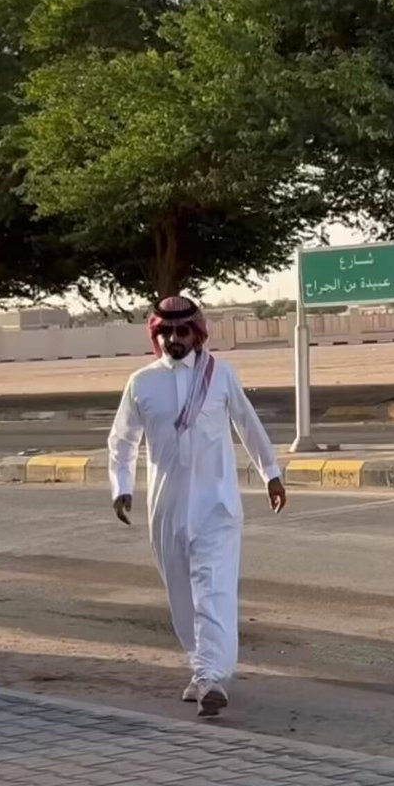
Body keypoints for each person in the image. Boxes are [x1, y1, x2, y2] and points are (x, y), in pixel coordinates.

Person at [108, 295, 286, 718]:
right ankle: (201, 666)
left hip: (217, 505)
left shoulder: (220, 375)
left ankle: (212, 677)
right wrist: (121, 486)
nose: (175, 338)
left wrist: (271, 473)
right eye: (166, 331)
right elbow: (122, 440)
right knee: (182, 595)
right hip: (167, 507)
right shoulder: (141, 383)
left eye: (182, 330)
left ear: (198, 333)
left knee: (213, 588)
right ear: (156, 335)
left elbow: (247, 424)